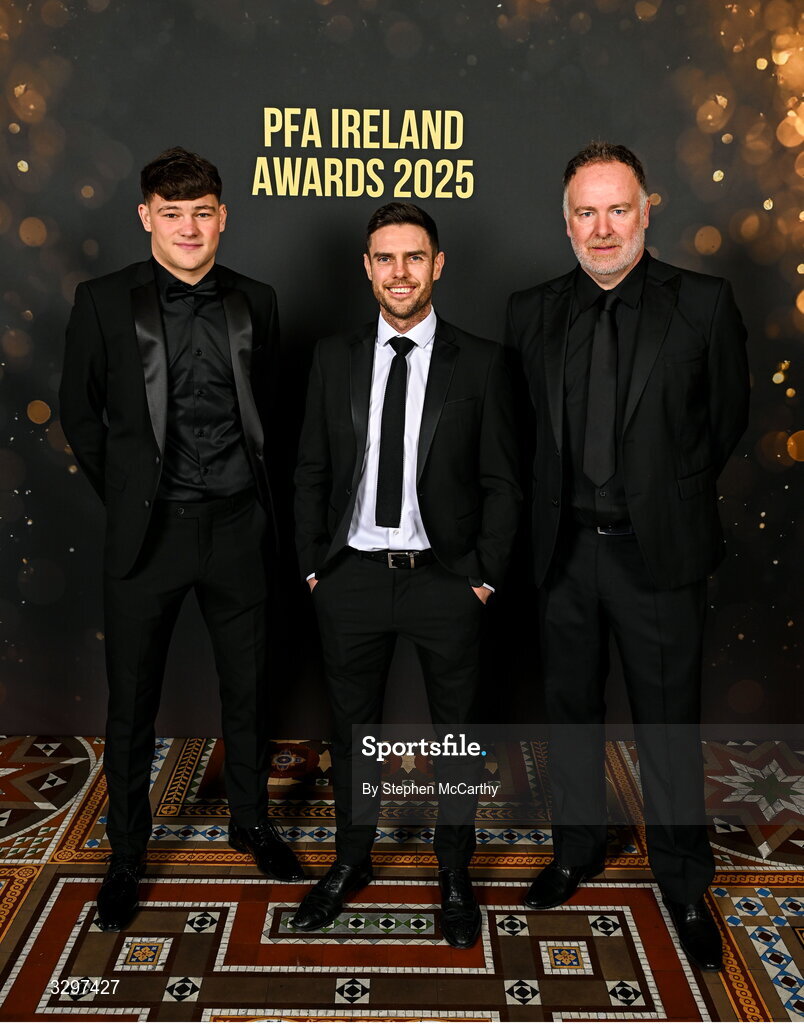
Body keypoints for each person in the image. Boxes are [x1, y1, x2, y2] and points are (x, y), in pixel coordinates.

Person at [505, 142, 749, 972]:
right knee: (570, 714)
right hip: (563, 555)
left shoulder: (704, 305)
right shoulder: (530, 311)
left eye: (617, 209)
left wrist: (661, 501)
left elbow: (723, 423)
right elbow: (521, 434)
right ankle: (575, 850)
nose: (602, 228)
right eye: (585, 211)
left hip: (659, 558)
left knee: (667, 725)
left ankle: (684, 880)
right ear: (565, 220)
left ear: (649, 209)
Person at [59, 146, 303, 932]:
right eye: (172, 213)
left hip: (239, 527)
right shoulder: (101, 302)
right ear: (146, 217)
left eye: (202, 213)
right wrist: (132, 498)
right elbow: (78, 414)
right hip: (149, 536)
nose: (189, 227)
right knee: (130, 706)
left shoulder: (257, 299)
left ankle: (250, 824)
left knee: (250, 693)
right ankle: (126, 857)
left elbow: (277, 416)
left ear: (222, 216)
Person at [292, 202, 521, 948]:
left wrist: (481, 578)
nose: (399, 273)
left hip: (443, 581)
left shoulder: (480, 361)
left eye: (413, 257)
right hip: (351, 577)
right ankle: (350, 861)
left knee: (455, 738)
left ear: (438, 264)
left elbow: (503, 483)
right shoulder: (334, 356)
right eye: (385, 259)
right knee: (352, 733)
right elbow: (311, 471)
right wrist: (314, 570)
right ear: (367, 267)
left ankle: (454, 873)